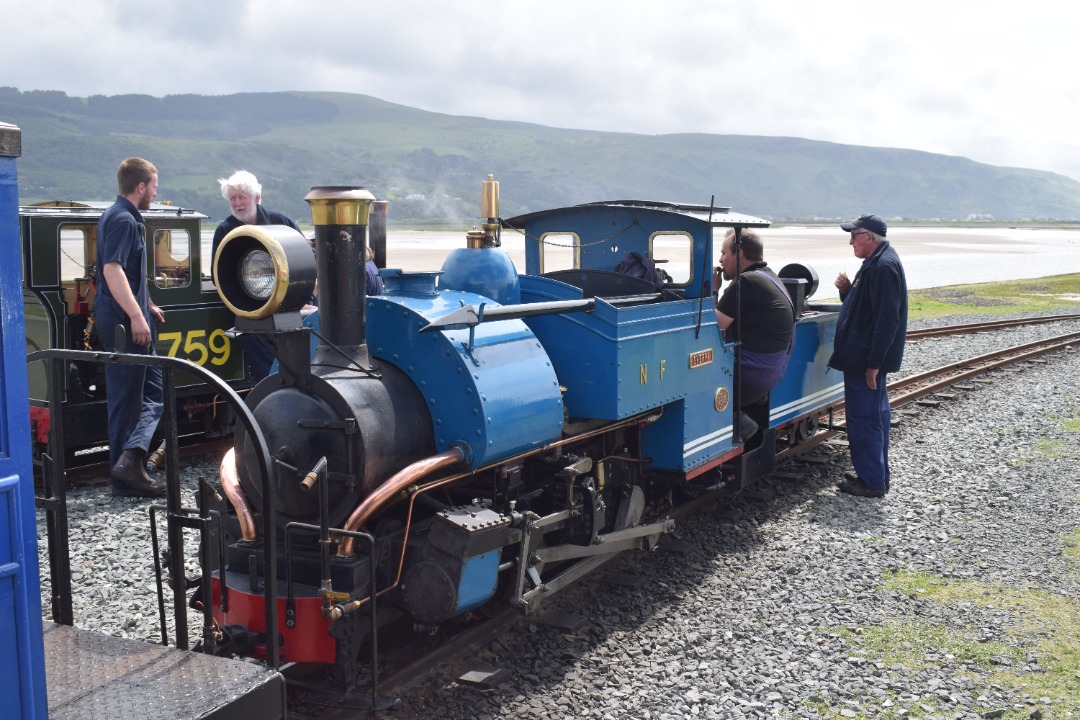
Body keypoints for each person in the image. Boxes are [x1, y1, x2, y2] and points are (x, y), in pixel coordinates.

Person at [96, 157, 167, 497]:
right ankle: (124, 477)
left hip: (128, 319)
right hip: (126, 326)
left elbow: (131, 272)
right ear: (141, 187)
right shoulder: (124, 220)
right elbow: (113, 270)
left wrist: (147, 303)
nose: (155, 191)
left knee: (153, 394)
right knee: (128, 402)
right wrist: (138, 316)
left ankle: (131, 462)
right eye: (154, 186)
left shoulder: (118, 216)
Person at [829, 214, 908, 498]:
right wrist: (847, 291)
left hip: (865, 362)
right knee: (872, 417)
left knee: (865, 419)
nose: (851, 240)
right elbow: (867, 310)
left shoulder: (883, 267)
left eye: (854, 234)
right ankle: (873, 475)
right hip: (863, 358)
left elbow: (887, 321)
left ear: (870, 236)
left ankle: (872, 481)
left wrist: (874, 363)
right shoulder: (876, 263)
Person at [212, 170, 303, 379]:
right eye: (232, 198)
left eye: (242, 197)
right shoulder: (224, 231)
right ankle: (271, 391)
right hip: (251, 313)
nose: (237, 203)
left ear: (257, 198)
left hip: (289, 308)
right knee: (253, 340)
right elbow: (219, 278)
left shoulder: (282, 224)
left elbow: (307, 262)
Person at [713, 228, 795, 440]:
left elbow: (712, 329)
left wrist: (713, 290)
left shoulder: (746, 282)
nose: (721, 259)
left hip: (749, 376)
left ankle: (736, 421)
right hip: (768, 373)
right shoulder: (769, 276)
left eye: (724, 253)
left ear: (739, 253)